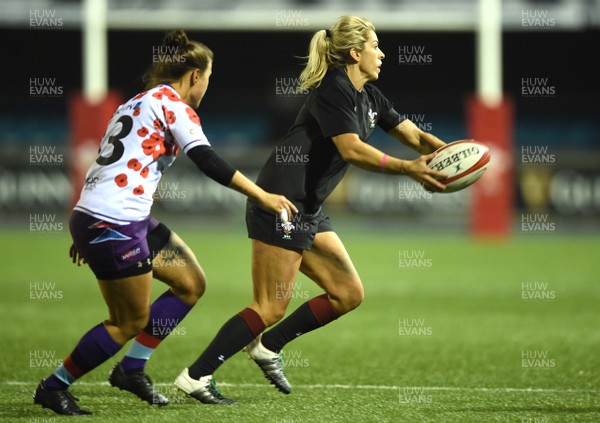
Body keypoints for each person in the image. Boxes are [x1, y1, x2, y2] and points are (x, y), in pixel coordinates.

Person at [174, 15, 448, 404]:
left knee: (347, 293)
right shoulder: (333, 88)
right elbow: (351, 148)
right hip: (281, 202)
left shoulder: (370, 96)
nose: (382, 54)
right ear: (355, 52)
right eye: (375, 46)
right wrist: (407, 169)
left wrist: (452, 155)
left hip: (310, 209)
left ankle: (268, 346)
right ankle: (196, 376)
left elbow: (415, 135)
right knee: (270, 306)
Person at [33, 29, 296, 415]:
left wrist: (84, 223)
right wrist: (262, 195)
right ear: (194, 76)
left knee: (190, 283)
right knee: (128, 321)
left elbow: (107, 162)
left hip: (116, 218)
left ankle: (132, 369)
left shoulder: (135, 103)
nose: (207, 84)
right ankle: (54, 386)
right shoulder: (173, 105)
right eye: (208, 76)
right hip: (114, 223)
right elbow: (207, 159)